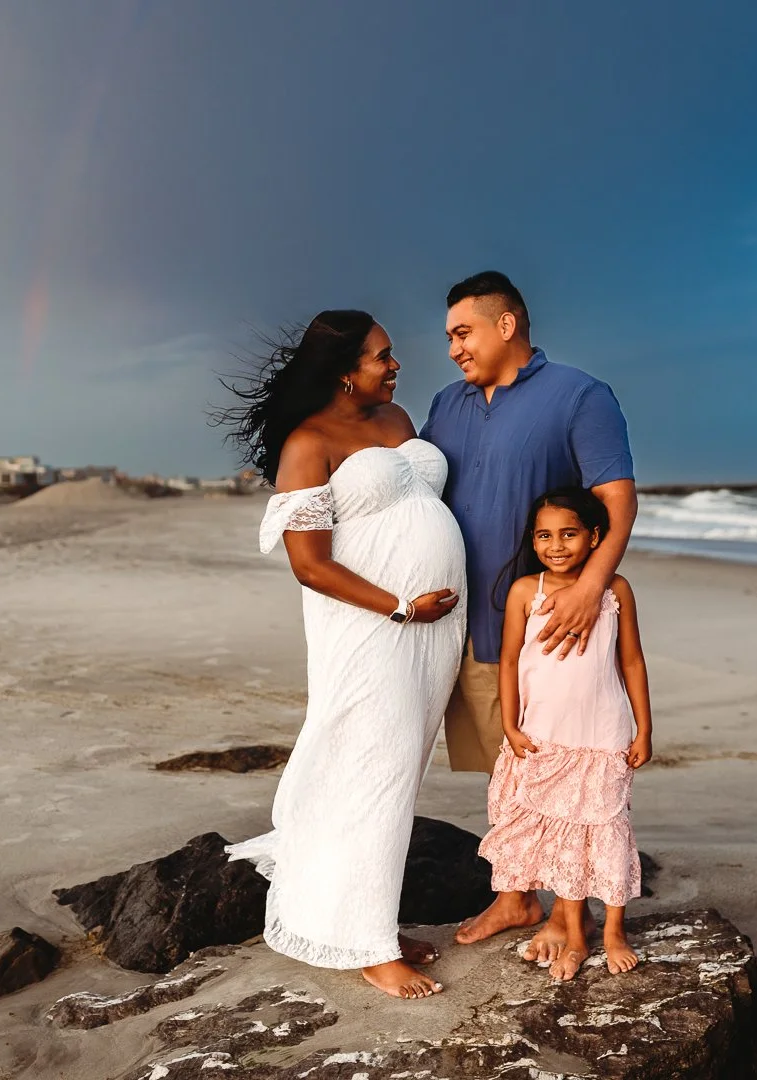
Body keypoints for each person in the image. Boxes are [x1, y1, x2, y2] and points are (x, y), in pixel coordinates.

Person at [217, 310, 466, 999]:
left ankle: (367, 920)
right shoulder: (309, 442)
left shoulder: (398, 420)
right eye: (382, 358)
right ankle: (366, 943)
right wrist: (401, 606)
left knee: (399, 771)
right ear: (343, 371)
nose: (395, 367)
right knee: (371, 770)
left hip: (432, 631)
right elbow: (310, 564)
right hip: (373, 630)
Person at [419, 271, 638, 944]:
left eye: (463, 332)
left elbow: (617, 498)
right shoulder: (446, 405)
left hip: (544, 624)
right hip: (455, 621)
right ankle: (519, 896)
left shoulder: (579, 395)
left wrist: (590, 585)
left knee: (554, 761)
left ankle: (555, 905)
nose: (454, 348)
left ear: (506, 325)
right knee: (506, 766)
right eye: (450, 337)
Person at [481, 488, 654, 979]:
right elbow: (511, 661)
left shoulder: (615, 589)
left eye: (569, 534)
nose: (555, 545)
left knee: (604, 828)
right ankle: (575, 935)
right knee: (561, 837)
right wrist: (510, 725)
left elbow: (632, 660)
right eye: (544, 535)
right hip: (545, 735)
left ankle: (615, 929)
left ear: (595, 536)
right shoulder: (525, 592)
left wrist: (645, 728)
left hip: (603, 735)